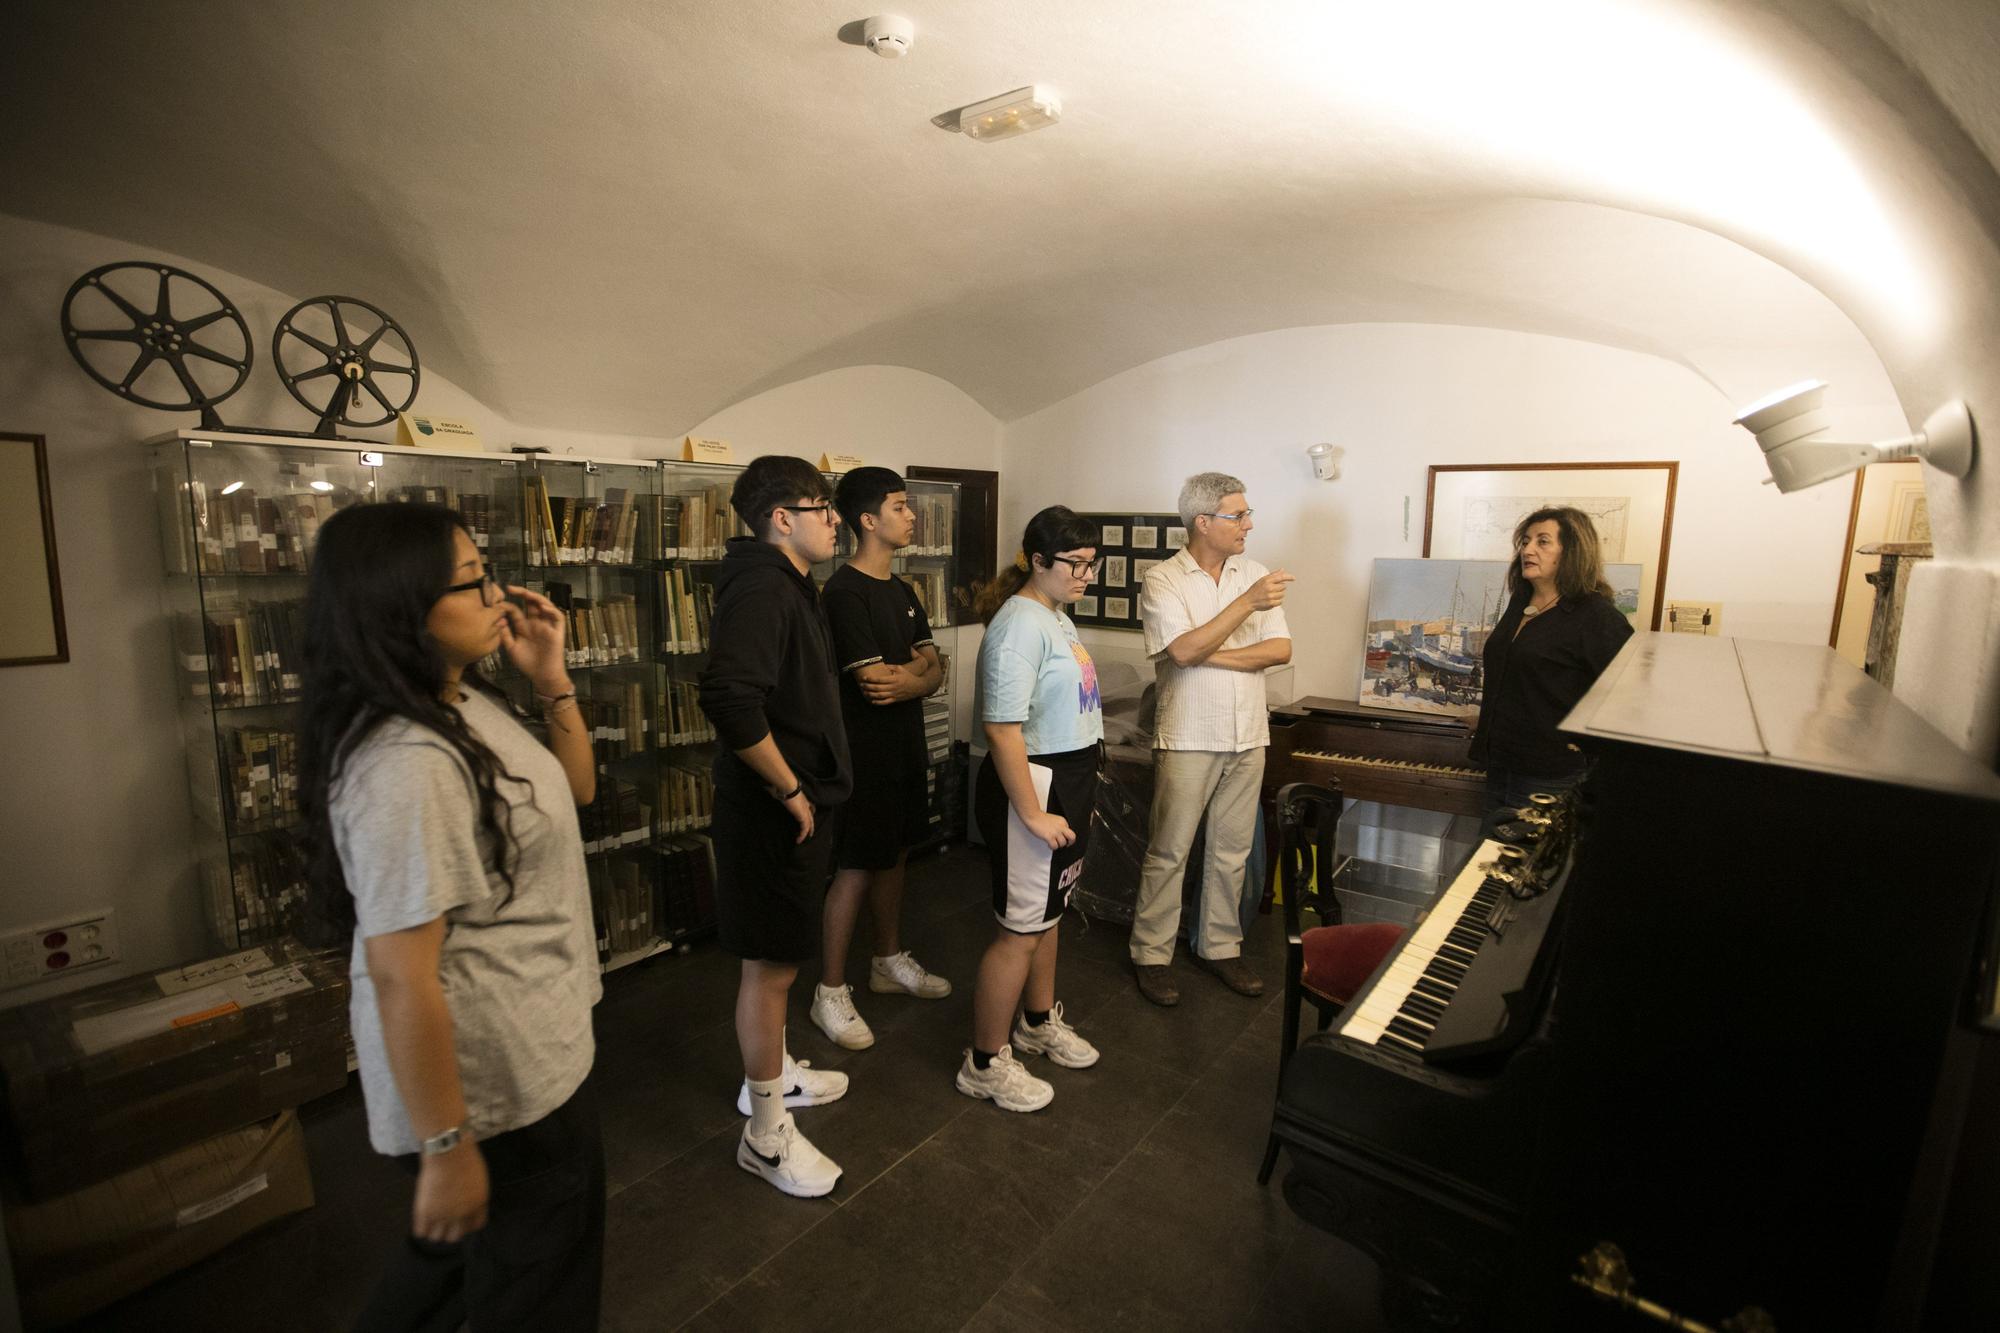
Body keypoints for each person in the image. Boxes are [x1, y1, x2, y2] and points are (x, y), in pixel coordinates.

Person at [297, 502, 605, 1329]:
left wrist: (550, 677)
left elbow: (576, 791)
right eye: (473, 583)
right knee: (537, 1286)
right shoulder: (406, 761)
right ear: (400, 609)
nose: (498, 595)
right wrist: (445, 1145)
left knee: (461, 1262)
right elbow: (402, 975)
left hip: (529, 1056)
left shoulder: (457, 697)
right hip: (495, 1088)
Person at [697, 454, 855, 1198]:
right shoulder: (763, 584)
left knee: (780, 957)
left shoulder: (789, 581)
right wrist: (789, 787)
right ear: (781, 519)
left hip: (798, 802)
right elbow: (731, 698)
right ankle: (765, 1134)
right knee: (770, 967)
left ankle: (776, 1074)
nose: (836, 520)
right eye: (822, 507)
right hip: (773, 813)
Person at [958, 506, 1106, 1113]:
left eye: (1092, 565)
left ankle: (1037, 1023)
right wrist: (1034, 812)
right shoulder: (1018, 625)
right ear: (1037, 560)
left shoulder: (1054, 617)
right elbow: (1001, 729)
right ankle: (985, 1062)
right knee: (1019, 930)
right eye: (1076, 565)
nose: (1086, 576)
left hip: (1066, 779)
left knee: (1047, 916)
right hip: (1034, 788)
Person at [1129, 473, 1294, 1007]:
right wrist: (1243, 607)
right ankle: (1151, 955)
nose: (1250, 523)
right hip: (1188, 735)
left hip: (1249, 733)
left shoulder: (1257, 571)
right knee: (1170, 850)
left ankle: (1219, 947)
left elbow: (1279, 650)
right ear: (1204, 522)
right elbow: (1179, 652)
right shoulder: (1163, 580)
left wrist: (1204, 652)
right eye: (1238, 515)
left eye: (1248, 513)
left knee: (1232, 852)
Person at [811, 467, 951, 1052]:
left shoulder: (902, 590)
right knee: (854, 865)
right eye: (900, 507)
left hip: (903, 747)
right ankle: (830, 990)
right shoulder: (843, 594)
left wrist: (917, 677)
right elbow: (874, 684)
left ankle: (886, 959)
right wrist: (919, 675)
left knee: (895, 853)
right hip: (861, 754)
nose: (912, 516)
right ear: (868, 520)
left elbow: (934, 664)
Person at [1468, 505, 1635, 830]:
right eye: (1526, 540)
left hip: (1551, 774)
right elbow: (1528, 679)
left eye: (1543, 542)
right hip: (1500, 763)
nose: (1527, 550)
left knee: (1530, 873)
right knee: (1488, 866)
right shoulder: (1520, 604)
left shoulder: (1595, 617)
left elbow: (1626, 699)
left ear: (1571, 551)